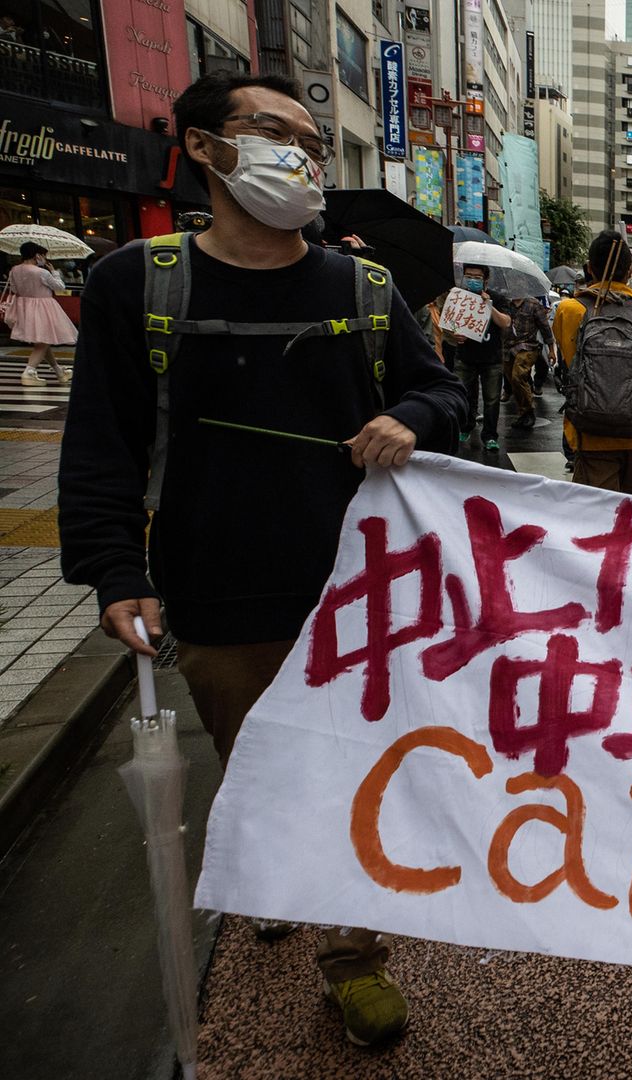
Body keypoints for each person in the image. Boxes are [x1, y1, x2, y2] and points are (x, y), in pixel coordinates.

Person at [56, 70, 467, 1048]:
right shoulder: (138, 284)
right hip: (216, 598)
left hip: (359, 599)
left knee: (351, 780)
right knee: (265, 775)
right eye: (276, 132)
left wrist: (407, 417)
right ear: (204, 148)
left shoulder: (362, 288)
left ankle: (353, 958)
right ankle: (276, 872)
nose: (303, 157)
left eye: (312, 143)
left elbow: (440, 394)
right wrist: (118, 572)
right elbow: (101, 446)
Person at [553, 231, 632, 497]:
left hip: (590, 433)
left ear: (589, 268)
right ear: (630, 270)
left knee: (599, 523)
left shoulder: (569, 311)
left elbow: (568, 359)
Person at [446, 263, 514, 453]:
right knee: (462, 394)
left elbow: (505, 323)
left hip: (491, 358)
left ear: (485, 280)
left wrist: (488, 305)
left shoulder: (497, 298)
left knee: (492, 399)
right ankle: (465, 426)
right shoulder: (459, 296)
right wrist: (454, 335)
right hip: (465, 357)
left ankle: (490, 436)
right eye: (469, 276)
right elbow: (448, 325)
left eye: (477, 277)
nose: (472, 280)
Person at [6, 241, 77, 385]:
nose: (44, 259)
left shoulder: (15, 269)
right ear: (37, 255)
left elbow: (14, 289)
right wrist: (54, 272)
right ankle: (29, 371)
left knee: (43, 340)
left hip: (25, 307)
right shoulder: (41, 272)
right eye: (43, 256)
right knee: (44, 340)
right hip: (44, 307)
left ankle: (58, 370)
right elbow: (60, 287)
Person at [503, 293, 554, 432]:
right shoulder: (504, 303)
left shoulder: (533, 304)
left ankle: (528, 411)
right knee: (512, 380)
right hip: (507, 348)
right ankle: (523, 411)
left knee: (518, 375)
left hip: (528, 346)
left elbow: (545, 327)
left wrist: (551, 350)